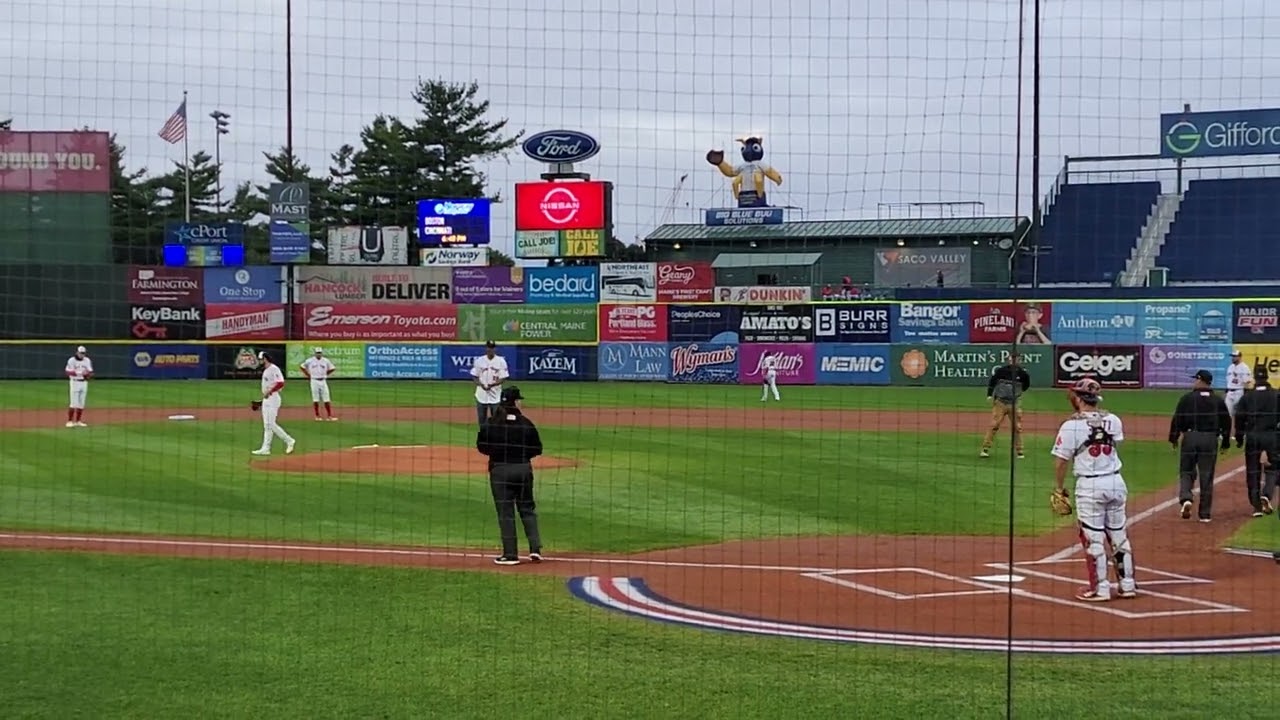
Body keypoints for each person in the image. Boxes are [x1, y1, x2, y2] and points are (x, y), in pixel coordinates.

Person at [1051, 378, 1137, 602]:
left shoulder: (1071, 425)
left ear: (1078, 398)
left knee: (1093, 539)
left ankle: (1100, 589)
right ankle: (1127, 585)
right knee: (1119, 535)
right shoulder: (1113, 420)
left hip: (1090, 486)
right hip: (1116, 482)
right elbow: (1113, 441)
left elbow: (1061, 461)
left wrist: (1059, 488)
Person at [476, 386, 544, 566]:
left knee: (506, 513)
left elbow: (482, 447)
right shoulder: (526, 423)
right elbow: (537, 449)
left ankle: (510, 554)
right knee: (527, 509)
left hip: (500, 471)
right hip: (523, 469)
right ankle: (535, 549)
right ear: (515, 402)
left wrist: (498, 453)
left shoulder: (491, 423)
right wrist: (521, 456)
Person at [1168, 369, 1232, 522]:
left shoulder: (1187, 398)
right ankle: (1204, 514)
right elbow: (1226, 422)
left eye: (1195, 379)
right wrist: (1225, 442)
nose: (1194, 382)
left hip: (1190, 437)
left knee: (1186, 471)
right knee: (1207, 475)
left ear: (1200, 380)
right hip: (1210, 439)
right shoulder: (1217, 400)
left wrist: (1174, 438)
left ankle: (1186, 498)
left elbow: (1177, 419)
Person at [1233, 364, 1279, 517]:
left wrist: (1239, 437)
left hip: (1253, 436)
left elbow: (1239, 417)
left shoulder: (1248, 396)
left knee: (1253, 470)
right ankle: (1266, 494)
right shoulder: (1276, 394)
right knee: (1274, 467)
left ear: (1254, 377)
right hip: (1272, 435)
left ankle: (1256, 506)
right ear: (1266, 376)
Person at [980, 354, 1031, 459]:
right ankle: (985, 448)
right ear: (1009, 360)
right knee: (995, 425)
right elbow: (992, 381)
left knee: (1017, 427)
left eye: (1017, 359)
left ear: (1020, 360)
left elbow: (1026, 385)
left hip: (1014, 403)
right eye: (1012, 359)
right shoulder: (1001, 371)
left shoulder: (1022, 374)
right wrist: (990, 394)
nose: (1014, 361)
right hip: (1000, 402)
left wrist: (1017, 394)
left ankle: (1020, 450)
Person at [251, 352, 296, 457]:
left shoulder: (274, 368)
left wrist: (270, 391)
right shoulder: (266, 370)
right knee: (267, 425)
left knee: (270, 424)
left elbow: (280, 382)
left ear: (265, 359)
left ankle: (289, 440)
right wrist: (261, 401)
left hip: (273, 398)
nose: (260, 361)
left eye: (261, 359)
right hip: (267, 399)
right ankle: (266, 449)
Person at [471, 341, 509, 429]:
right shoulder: (479, 361)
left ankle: (495, 438)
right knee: (482, 420)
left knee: (496, 420)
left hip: (495, 395)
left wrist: (493, 385)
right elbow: (474, 376)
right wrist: (481, 384)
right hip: (481, 394)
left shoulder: (501, 361)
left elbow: (503, 377)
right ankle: (483, 438)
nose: (490, 349)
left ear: (495, 349)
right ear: (486, 348)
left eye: (492, 348)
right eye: (488, 347)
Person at [300, 347, 338, 421]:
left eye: (320, 353)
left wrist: (326, 374)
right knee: (315, 398)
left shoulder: (326, 361)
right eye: (317, 353)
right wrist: (308, 375)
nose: (318, 354)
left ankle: (329, 416)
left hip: (323, 380)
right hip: (314, 380)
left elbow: (332, 368)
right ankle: (317, 416)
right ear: (315, 353)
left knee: (327, 397)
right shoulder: (310, 360)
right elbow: (302, 366)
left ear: (322, 353)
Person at [1224, 350, 1252, 443]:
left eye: (1235, 356)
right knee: (1227, 414)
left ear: (1240, 357)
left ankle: (1240, 433)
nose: (1233, 358)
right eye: (1232, 356)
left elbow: (1247, 381)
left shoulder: (1244, 367)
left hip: (1239, 392)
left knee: (1239, 415)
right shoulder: (1230, 367)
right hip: (1230, 392)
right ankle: (1227, 434)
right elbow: (1228, 380)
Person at [63, 345, 93, 428]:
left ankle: (78, 421)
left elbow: (90, 371)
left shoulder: (87, 360)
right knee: (73, 403)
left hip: (84, 383)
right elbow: (67, 372)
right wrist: (79, 373)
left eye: (83, 353)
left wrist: (88, 375)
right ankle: (69, 421)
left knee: (81, 403)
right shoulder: (71, 360)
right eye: (80, 353)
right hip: (74, 382)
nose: (82, 355)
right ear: (77, 352)